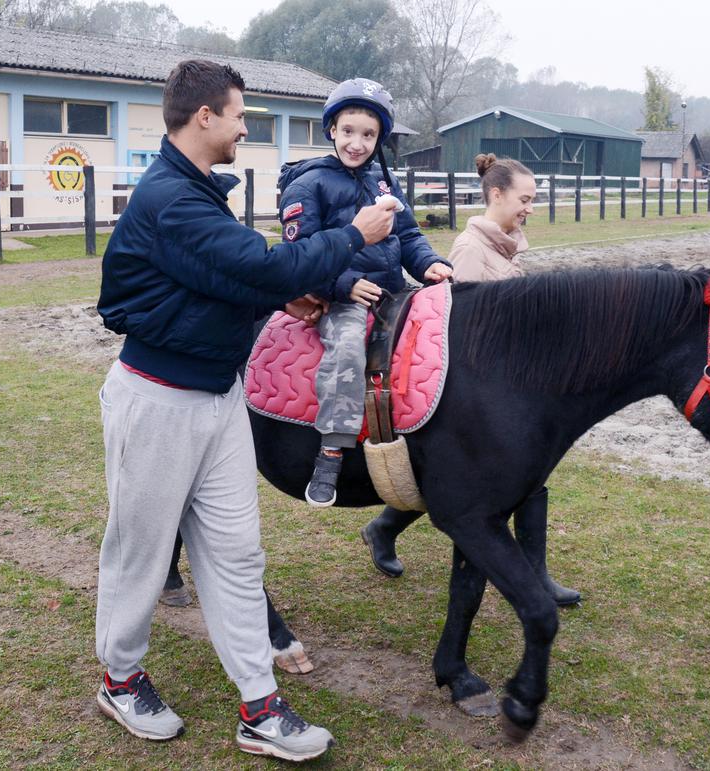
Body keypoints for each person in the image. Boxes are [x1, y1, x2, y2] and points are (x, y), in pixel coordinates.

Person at [94, 59, 397, 761]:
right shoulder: (172, 198)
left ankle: (259, 706)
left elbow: (218, 277)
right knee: (140, 550)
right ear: (204, 116)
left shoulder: (196, 191)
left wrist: (275, 296)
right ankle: (119, 676)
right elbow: (261, 265)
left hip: (218, 397)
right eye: (237, 114)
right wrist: (355, 235)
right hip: (159, 401)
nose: (242, 127)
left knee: (235, 552)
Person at [359, 154, 582, 607]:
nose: (530, 208)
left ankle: (383, 528)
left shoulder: (507, 243)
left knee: (516, 476)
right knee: (497, 478)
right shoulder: (470, 250)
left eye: (533, 200)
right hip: (480, 389)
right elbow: (467, 332)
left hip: (510, 383)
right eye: (525, 199)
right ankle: (532, 573)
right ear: (496, 195)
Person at [276, 78, 453, 508]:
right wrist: (342, 285)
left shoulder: (383, 182)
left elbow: (408, 235)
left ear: (380, 139)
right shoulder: (308, 186)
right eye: (349, 131)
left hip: (396, 289)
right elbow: (301, 254)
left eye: (368, 135)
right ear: (332, 129)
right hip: (343, 296)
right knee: (348, 347)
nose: (358, 143)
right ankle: (332, 448)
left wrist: (428, 261)